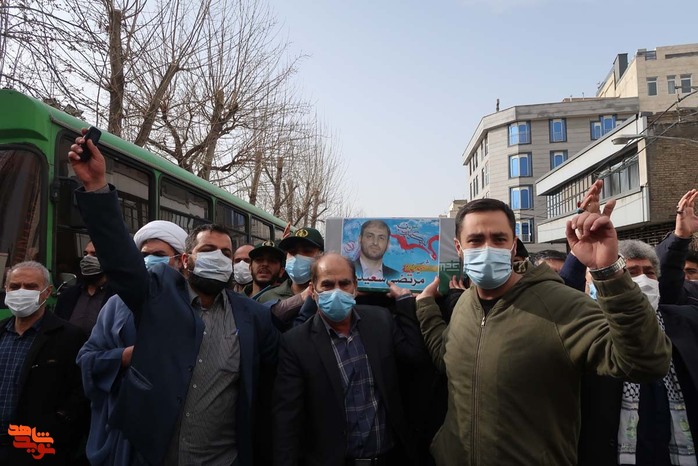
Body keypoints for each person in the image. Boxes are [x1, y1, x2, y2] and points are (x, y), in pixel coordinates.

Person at [68, 132, 279, 466]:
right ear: (185, 260)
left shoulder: (255, 318)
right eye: (207, 250)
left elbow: (267, 392)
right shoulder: (157, 296)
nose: (219, 258)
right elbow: (121, 261)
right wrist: (96, 187)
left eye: (226, 253)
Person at [415, 196, 671, 465]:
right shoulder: (465, 303)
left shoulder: (561, 304)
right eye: (476, 240)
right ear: (459, 247)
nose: (488, 248)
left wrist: (609, 272)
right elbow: (448, 357)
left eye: (499, 239)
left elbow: (646, 362)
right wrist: (425, 306)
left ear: (514, 245)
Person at [577, 189, 698, 465]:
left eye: (649, 272)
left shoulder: (686, 319)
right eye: (631, 272)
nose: (643, 280)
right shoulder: (592, 329)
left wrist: (680, 237)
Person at [272, 253, 430, 465]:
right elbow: (288, 419)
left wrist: (404, 303)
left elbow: (415, 357)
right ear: (313, 290)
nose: (337, 291)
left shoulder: (380, 320)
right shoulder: (296, 343)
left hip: (389, 457)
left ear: (355, 286)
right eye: (327, 285)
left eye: (344, 283)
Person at [75, 220, 188, 466]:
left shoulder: (193, 305)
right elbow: (87, 359)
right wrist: (125, 356)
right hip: (120, 428)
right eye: (144, 255)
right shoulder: (116, 305)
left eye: (159, 255)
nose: (149, 261)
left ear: (181, 260)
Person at [0, 261, 88, 465]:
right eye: (15, 286)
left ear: (47, 292)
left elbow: (81, 390)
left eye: (30, 287)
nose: (21, 292)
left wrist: (58, 424)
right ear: (6, 290)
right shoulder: (2, 332)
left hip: (36, 447)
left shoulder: (69, 337)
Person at [54, 241, 114, 334]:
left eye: (94, 254)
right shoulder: (68, 295)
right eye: (85, 254)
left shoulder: (118, 297)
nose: (87, 258)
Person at [256, 227, 324, 304]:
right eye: (292, 252)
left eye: (307, 251)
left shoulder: (326, 297)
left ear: (321, 255)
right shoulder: (267, 297)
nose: (297, 257)